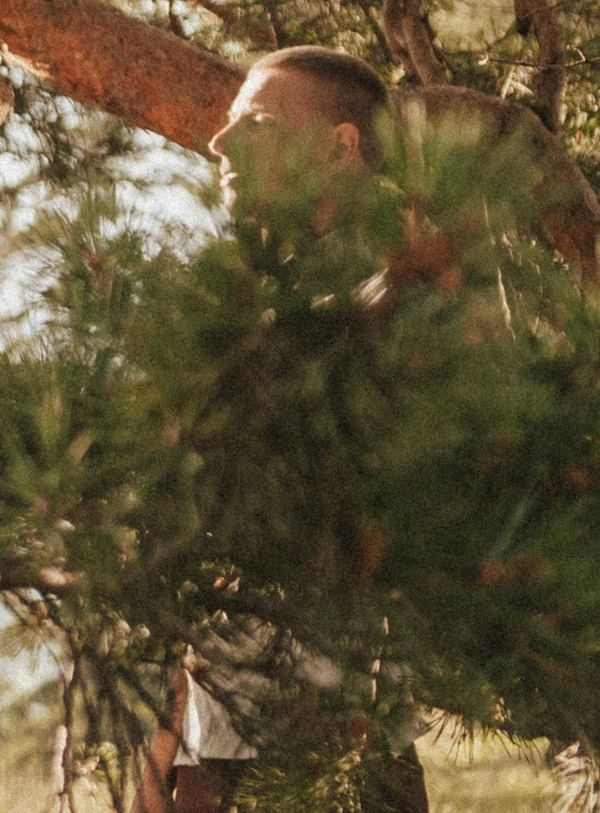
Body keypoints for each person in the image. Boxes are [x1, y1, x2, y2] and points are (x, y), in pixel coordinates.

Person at [144, 45, 430, 813]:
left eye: (257, 124)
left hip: (347, 755)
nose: (219, 142)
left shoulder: (401, 310)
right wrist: (161, 751)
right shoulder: (246, 311)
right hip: (217, 750)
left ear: (339, 148)